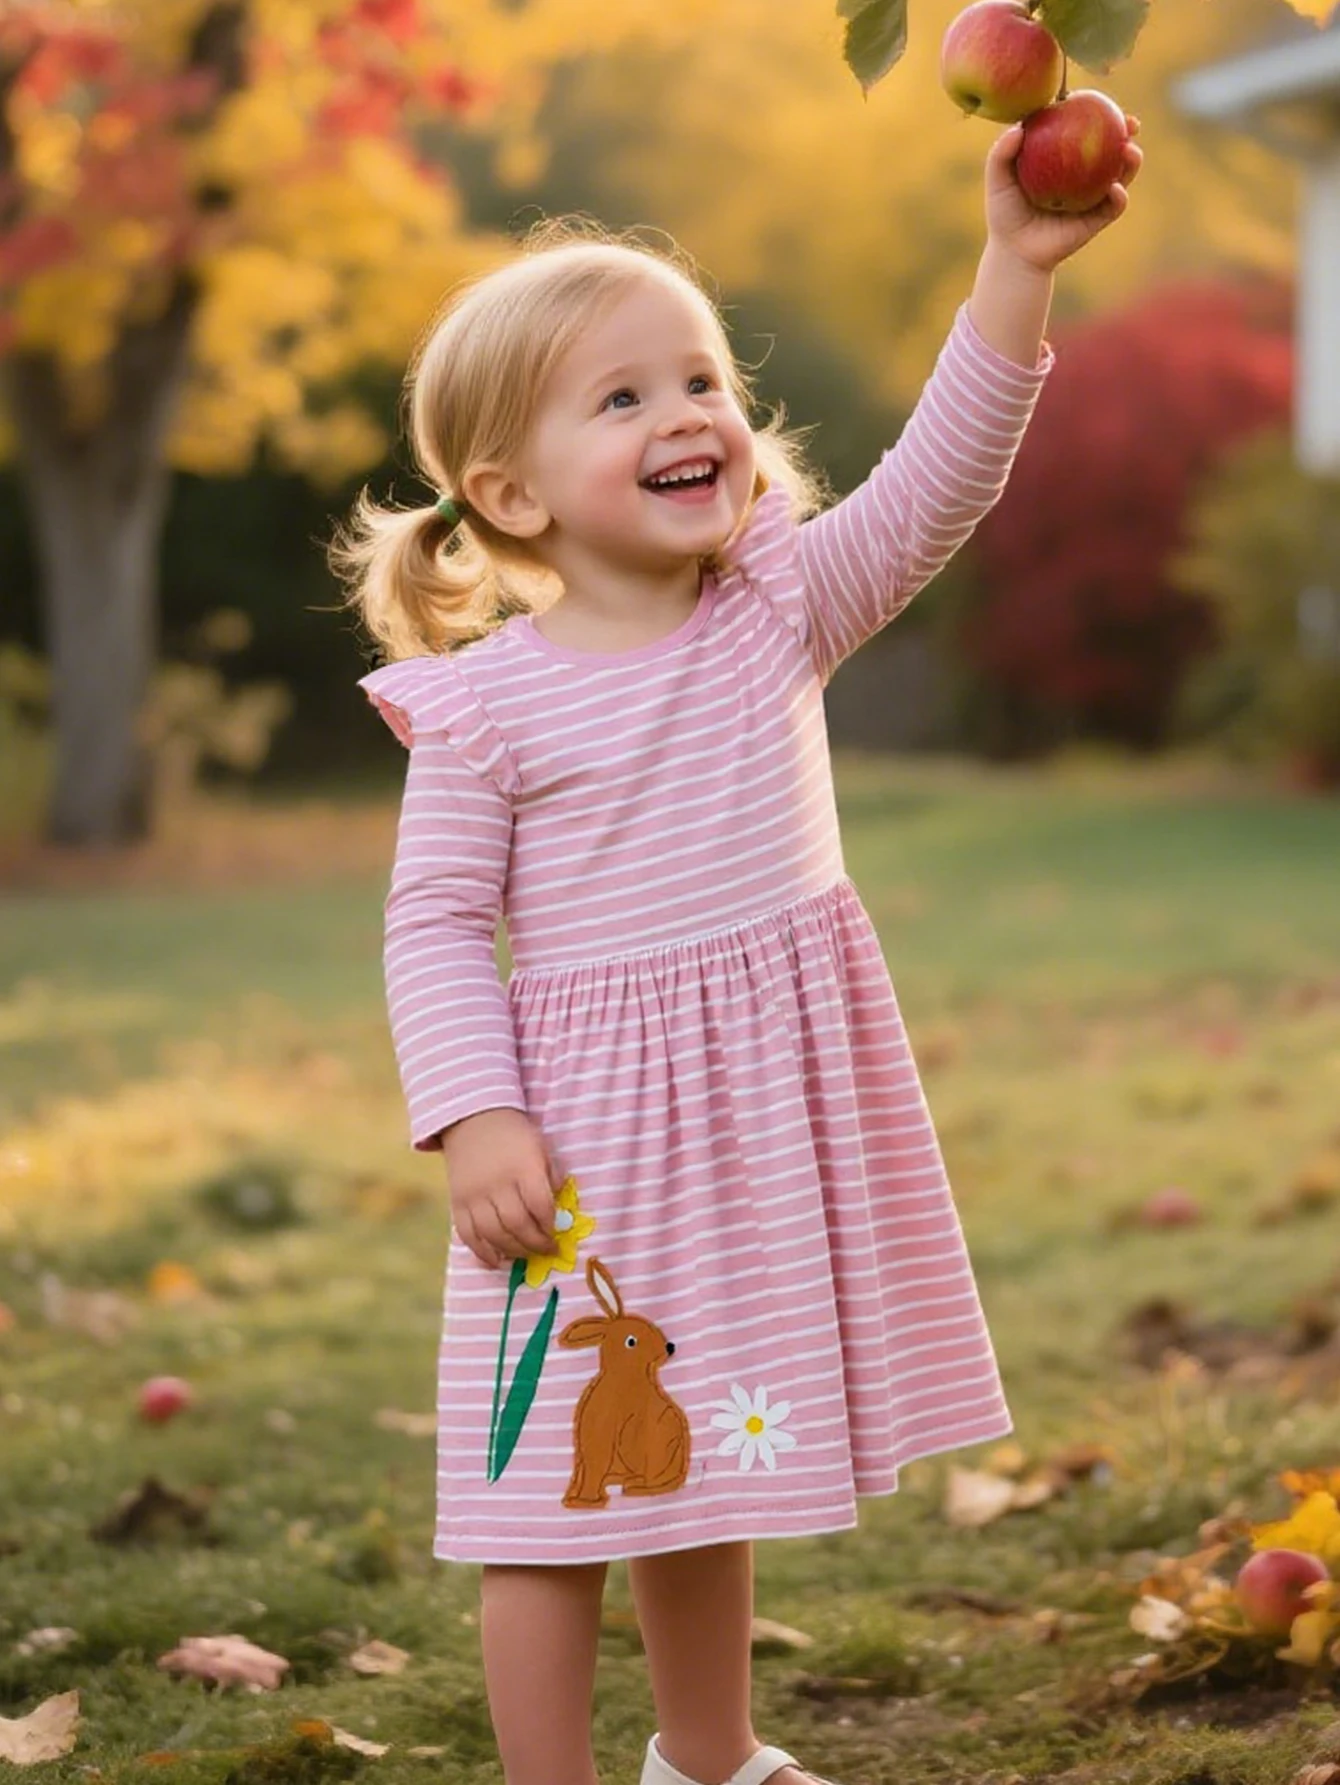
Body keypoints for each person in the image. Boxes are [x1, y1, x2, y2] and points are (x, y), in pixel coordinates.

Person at [333, 115, 1141, 1785]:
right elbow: (430, 922)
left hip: (758, 1136)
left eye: (697, 378)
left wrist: (1014, 267)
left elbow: (943, 476)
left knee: (700, 1471)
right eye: (619, 399)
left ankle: (709, 1759)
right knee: (552, 1507)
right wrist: (474, 1115)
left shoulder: (781, 609)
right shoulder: (487, 707)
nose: (685, 414)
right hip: (581, 1163)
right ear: (507, 491)